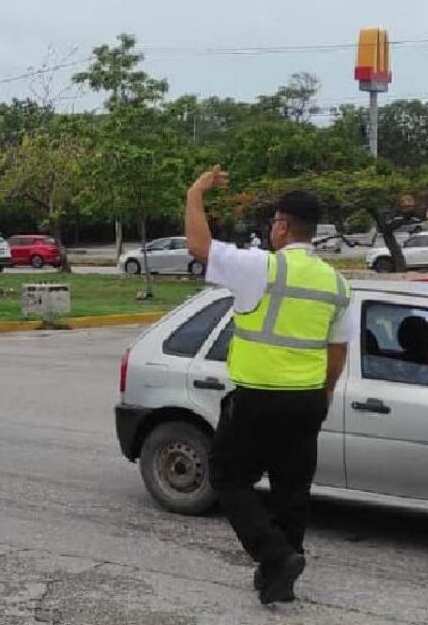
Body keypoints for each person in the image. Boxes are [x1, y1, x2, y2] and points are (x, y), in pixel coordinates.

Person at [184, 165, 352, 605]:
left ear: (281, 226)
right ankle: (282, 576)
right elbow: (338, 351)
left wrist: (195, 194)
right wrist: (325, 393)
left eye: (274, 223)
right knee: (292, 490)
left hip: (258, 397)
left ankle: (274, 554)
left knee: (226, 475)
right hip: (309, 399)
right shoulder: (336, 283)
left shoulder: (261, 267)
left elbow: (199, 246)